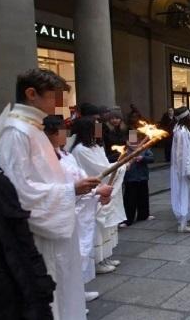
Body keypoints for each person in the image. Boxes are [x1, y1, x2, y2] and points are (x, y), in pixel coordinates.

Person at [0, 68, 102, 319]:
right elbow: (15, 191)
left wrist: (77, 190)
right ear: (31, 94)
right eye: (56, 97)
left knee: (64, 289)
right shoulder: (16, 132)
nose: (61, 105)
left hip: (55, 225)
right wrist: (70, 189)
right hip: (40, 234)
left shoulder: (32, 129)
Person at [44, 115, 111, 303]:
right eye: (62, 130)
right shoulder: (48, 159)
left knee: (79, 254)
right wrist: (93, 190)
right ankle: (69, 298)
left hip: (81, 210)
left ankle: (78, 290)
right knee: (66, 259)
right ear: (51, 134)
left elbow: (81, 178)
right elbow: (64, 187)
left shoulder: (67, 155)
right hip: (67, 214)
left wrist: (97, 192)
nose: (66, 134)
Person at [70, 116, 127, 275]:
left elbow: (106, 166)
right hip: (91, 194)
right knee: (97, 228)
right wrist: (121, 165)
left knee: (107, 228)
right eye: (95, 127)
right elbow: (99, 171)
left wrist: (119, 164)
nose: (99, 131)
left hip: (103, 190)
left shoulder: (96, 146)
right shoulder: (81, 149)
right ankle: (97, 260)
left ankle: (106, 256)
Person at [170, 106, 190, 232]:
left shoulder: (182, 129)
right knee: (185, 194)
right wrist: (189, 171)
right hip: (186, 169)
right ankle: (183, 224)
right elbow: (182, 153)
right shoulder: (182, 132)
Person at [120, 135, 154, 227]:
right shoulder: (124, 151)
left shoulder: (143, 148)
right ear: (127, 142)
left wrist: (143, 158)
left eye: (136, 142)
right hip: (130, 178)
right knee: (129, 199)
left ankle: (143, 215)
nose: (134, 144)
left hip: (143, 177)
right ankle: (128, 219)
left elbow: (151, 158)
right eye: (131, 142)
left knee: (143, 197)